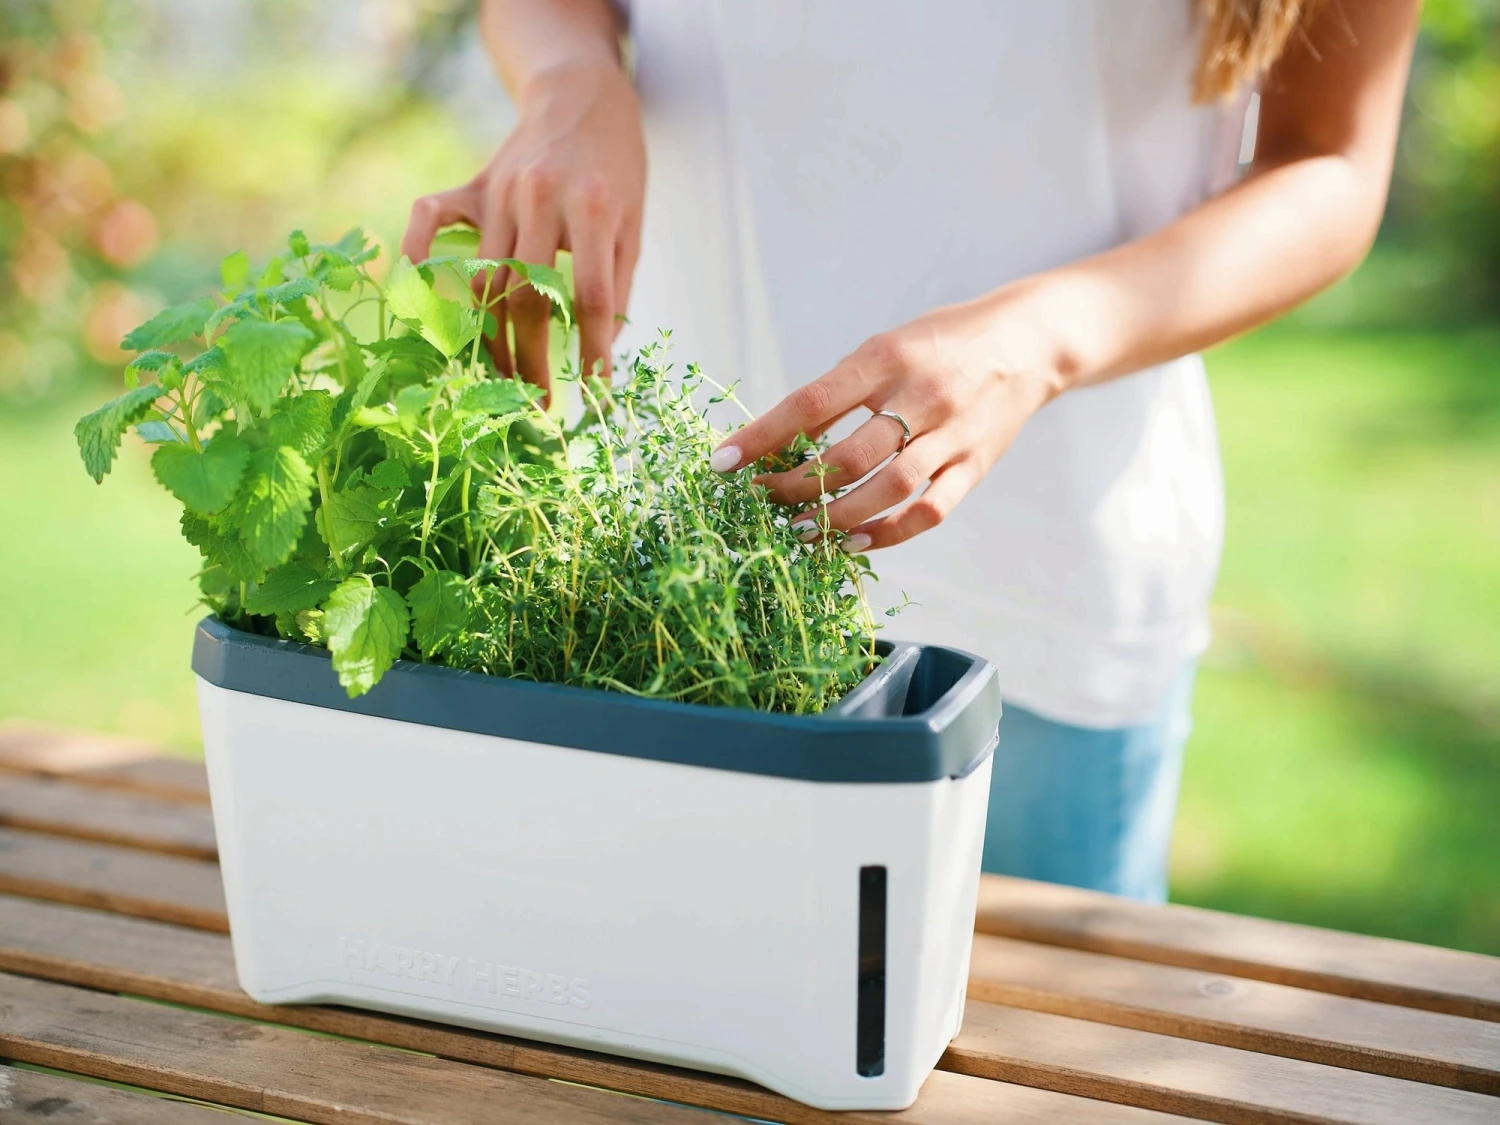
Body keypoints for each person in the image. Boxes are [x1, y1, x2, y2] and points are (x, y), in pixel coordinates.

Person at [402, 1, 1419, 902]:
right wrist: (570, 74)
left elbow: (1328, 160)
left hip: (1039, 606)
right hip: (655, 576)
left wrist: (1038, 339)